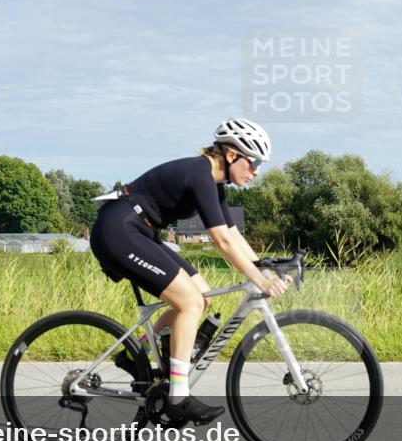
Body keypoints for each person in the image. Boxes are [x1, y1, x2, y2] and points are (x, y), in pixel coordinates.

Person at [89, 118, 290, 424]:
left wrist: (266, 266)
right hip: (118, 229)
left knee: (202, 296)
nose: (257, 171)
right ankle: (177, 398)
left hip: (140, 232)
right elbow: (221, 240)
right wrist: (258, 278)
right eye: (254, 162)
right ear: (232, 155)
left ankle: (137, 355)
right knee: (191, 302)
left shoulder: (214, 184)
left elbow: (234, 235)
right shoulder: (199, 173)